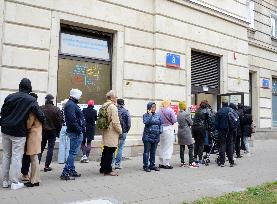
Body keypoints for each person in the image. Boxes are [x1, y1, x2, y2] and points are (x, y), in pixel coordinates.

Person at [1, 78, 45, 190]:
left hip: (5, 130)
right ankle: (14, 182)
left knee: (6, 155)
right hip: (19, 132)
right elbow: (40, 115)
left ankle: (5, 181)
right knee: (16, 156)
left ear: (19, 86)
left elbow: (3, 112)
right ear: (29, 87)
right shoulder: (31, 100)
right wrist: (42, 122)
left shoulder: (10, 97)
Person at [60, 89, 85, 180]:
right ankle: (65, 172)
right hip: (75, 132)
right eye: (80, 95)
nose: (81, 97)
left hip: (75, 131)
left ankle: (71, 170)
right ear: (76, 95)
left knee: (72, 152)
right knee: (73, 152)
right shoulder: (71, 105)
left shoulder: (71, 104)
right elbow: (72, 120)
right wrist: (79, 130)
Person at [21, 93, 42, 187]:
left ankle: (34, 181)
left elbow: (29, 124)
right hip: (37, 135)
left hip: (33, 136)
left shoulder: (32, 110)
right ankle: (36, 179)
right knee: (35, 159)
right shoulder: (38, 109)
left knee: (33, 159)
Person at [99, 90, 122, 176]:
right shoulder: (113, 107)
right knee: (111, 150)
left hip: (105, 130)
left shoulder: (104, 105)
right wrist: (120, 130)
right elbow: (115, 122)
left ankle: (102, 168)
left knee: (105, 149)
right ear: (112, 98)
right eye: (116, 97)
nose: (116, 98)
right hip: (112, 131)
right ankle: (108, 170)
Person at [39, 94, 63, 172]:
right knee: (50, 148)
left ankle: (36, 164)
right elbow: (59, 122)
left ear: (46, 100)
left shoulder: (41, 108)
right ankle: (47, 166)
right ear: (52, 100)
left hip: (43, 130)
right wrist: (58, 132)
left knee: (40, 148)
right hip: (52, 131)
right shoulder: (56, 109)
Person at [177, 101, 199, 168]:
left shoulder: (178, 114)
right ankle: (191, 162)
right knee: (191, 146)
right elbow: (191, 123)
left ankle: (182, 162)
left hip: (180, 132)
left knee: (182, 147)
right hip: (186, 132)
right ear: (184, 106)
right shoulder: (186, 114)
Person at [142, 102, 162, 172]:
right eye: (152, 107)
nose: (154, 108)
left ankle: (152, 165)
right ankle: (145, 165)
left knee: (153, 152)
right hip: (148, 136)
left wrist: (160, 130)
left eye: (155, 107)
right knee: (146, 151)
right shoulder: (145, 115)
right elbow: (146, 122)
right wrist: (150, 115)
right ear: (149, 108)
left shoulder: (158, 115)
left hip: (156, 136)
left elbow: (161, 124)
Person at [215, 100, 235, 167]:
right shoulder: (231, 110)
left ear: (222, 104)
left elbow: (216, 123)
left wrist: (217, 129)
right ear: (227, 104)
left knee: (222, 145)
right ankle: (231, 162)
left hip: (222, 130)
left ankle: (222, 162)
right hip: (230, 130)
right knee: (230, 145)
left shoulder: (219, 111)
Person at [158, 100, 177, 169]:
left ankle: (161, 162)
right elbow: (174, 120)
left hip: (161, 129)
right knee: (168, 146)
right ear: (168, 104)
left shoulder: (159, 111)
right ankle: (167, 163)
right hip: (169, 129)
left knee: (162, 145)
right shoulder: (170, 110)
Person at [114, 98, 131, 169]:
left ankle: (111, 163)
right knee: (120, 148)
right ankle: (117, 165)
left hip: (114, 132)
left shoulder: (114, 110)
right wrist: (126, 131)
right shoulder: (126, 111)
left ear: (117, 103)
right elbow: (129, 123)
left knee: (113, 148)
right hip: (123, 131)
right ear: (123, 104)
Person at [58, 99, 70, 164]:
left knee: (62, 144)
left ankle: (61, 160)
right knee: (69, 144)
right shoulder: (70, 110)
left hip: (63, 127)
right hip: (69, 127)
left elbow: (59, 120)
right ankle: (68, 159)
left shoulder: (61, 111)